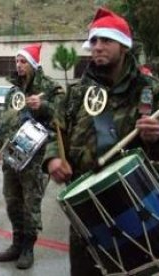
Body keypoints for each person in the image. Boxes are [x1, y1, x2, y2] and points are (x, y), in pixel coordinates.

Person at [43, 7, 159, 276]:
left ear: (124, 46)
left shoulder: (149, 90)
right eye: (93, 41)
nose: (97, 47)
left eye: (106, 41)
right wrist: (53, 159)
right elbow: (54, 131)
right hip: (86, 201)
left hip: (137, 200)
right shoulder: (76, 93)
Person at [0, 43, 64, 269]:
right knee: (12, 202)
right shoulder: (14, 92)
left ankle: (28, 248)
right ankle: (16, 243)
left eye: (23, 62)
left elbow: (62, 118)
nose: (19, 66)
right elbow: (3, 123)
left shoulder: (50, 88)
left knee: (30, 205)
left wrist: (44, 106)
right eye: (17, 62)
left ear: (33, 64)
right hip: (12, 156)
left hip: (37, 158)